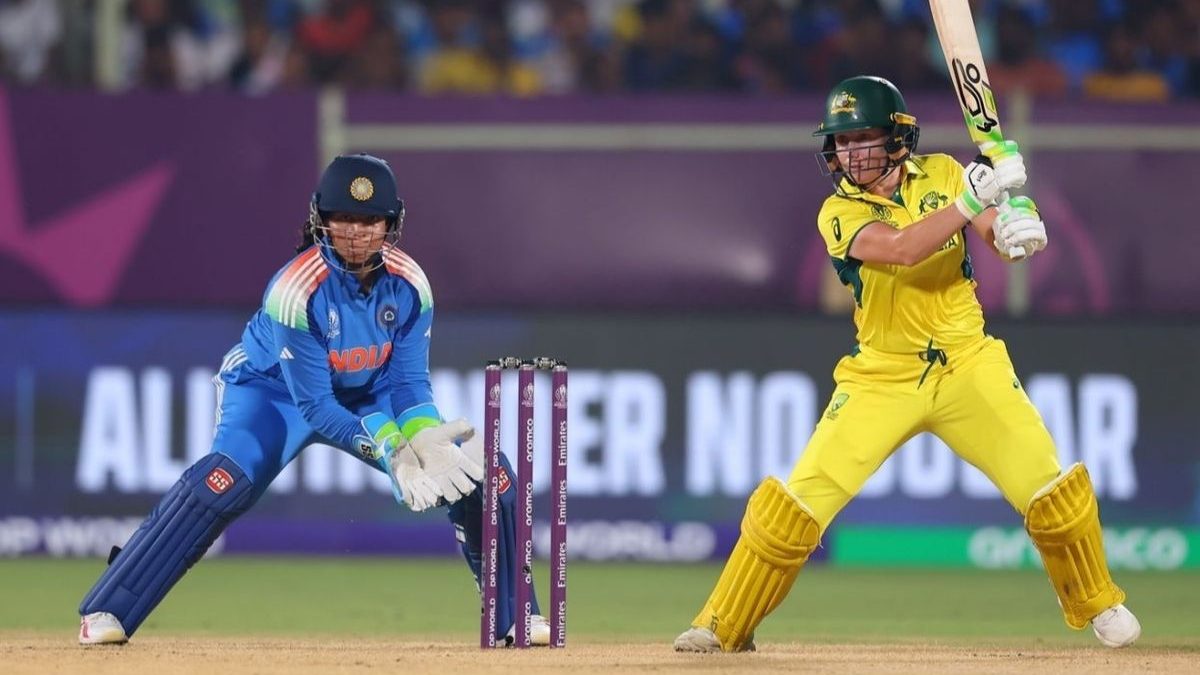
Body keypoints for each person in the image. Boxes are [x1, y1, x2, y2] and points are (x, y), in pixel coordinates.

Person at [673, 75, 1140, 653]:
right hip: (882, 375)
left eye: (863, 138)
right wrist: (973, 198)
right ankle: (721, 624)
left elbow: (990, 230)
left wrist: (1015, 222)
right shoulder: (837, 212)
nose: (850, 153)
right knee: (793, 507)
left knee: (1049, 491)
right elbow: (901, 250)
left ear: (898, 138)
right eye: (841, 142)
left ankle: (1099, 603)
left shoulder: (944, 172)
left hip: (969, 364)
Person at [78, 153, 548, 647]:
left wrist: (425, 435)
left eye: (371, 220)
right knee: (225, 482)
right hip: (272, 392)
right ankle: (108, 606)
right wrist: (391, 449)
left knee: (484, 472)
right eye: (344, 218)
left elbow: (408, 386)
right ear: (320, 220)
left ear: (392, 223)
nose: (357, 232)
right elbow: (316, 408)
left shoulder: (410, 285)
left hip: (370, 390)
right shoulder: (294, 290)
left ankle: (513, 614)